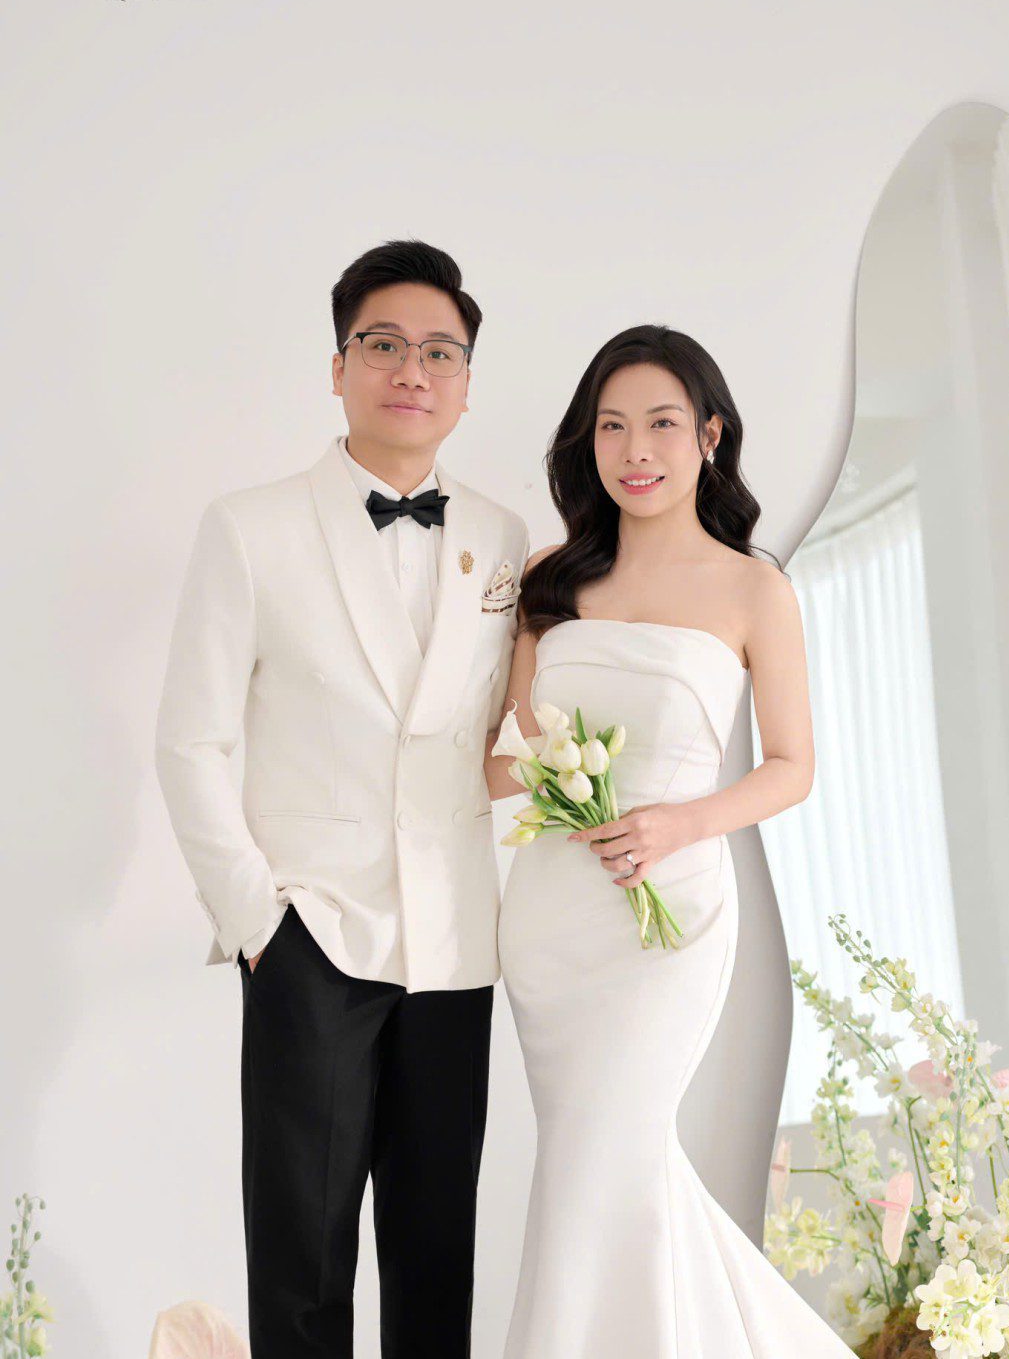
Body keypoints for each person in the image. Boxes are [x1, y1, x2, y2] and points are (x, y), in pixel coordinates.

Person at [154, 239, 529, 1359]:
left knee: (436, 1262)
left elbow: (485, 742)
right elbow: (190, 741)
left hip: (456, 944)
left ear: (465, 383)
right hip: (310, 935)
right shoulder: (250, 527)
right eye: (384, 345)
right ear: (338, 366)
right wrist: (260, 925)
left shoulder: (502, 539)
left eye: (439, 352)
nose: (412, 370)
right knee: (303, 1269)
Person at [488, 325, 854, 1356]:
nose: (634, 450)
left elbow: (793, 765)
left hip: (670, 917)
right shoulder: (550, 577)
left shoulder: (752, 587)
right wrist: (549, 784)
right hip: (555, 916)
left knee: (607, 1155)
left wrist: (677, 822)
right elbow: (507, 754)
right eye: (611, 427)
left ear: (710, 435)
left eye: (659, 423)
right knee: (602, 1164)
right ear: (588, 442)